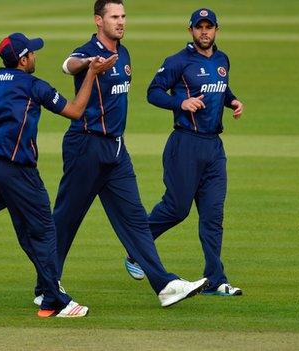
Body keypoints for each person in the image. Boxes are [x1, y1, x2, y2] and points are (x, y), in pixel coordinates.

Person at [0, 32, 116, 317]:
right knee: (45, 231)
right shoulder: (34, 86)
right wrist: (92, 74)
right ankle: (55, 300)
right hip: (18, 171)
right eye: (32, 53)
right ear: (23, 60)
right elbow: (75, 110)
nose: (35, 56)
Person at [46, 0, 208, 308]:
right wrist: (89, 64)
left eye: (123, 16)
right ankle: (46, 286)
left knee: (135, 219)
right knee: (66, 220)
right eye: (114, 17)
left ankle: (164, 285)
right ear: (98, 21)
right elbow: (67, 65)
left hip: (116, 150)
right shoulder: (88, 51)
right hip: (86, 145)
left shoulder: (125, 53)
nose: (121, 22)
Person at [128, 8, 244, 296]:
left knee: (213, 215)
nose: (204, 32)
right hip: (184, 145)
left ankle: (215, 280)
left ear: (216, 30)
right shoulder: (178, 62)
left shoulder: (222, 60)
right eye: (199, 27)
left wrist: (233, 101)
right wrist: (181, 103)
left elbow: (221, 88)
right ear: (190, 30)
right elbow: (153, 92)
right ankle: (135, 250)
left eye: (209, 27)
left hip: (214, 148)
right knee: (176, 209)